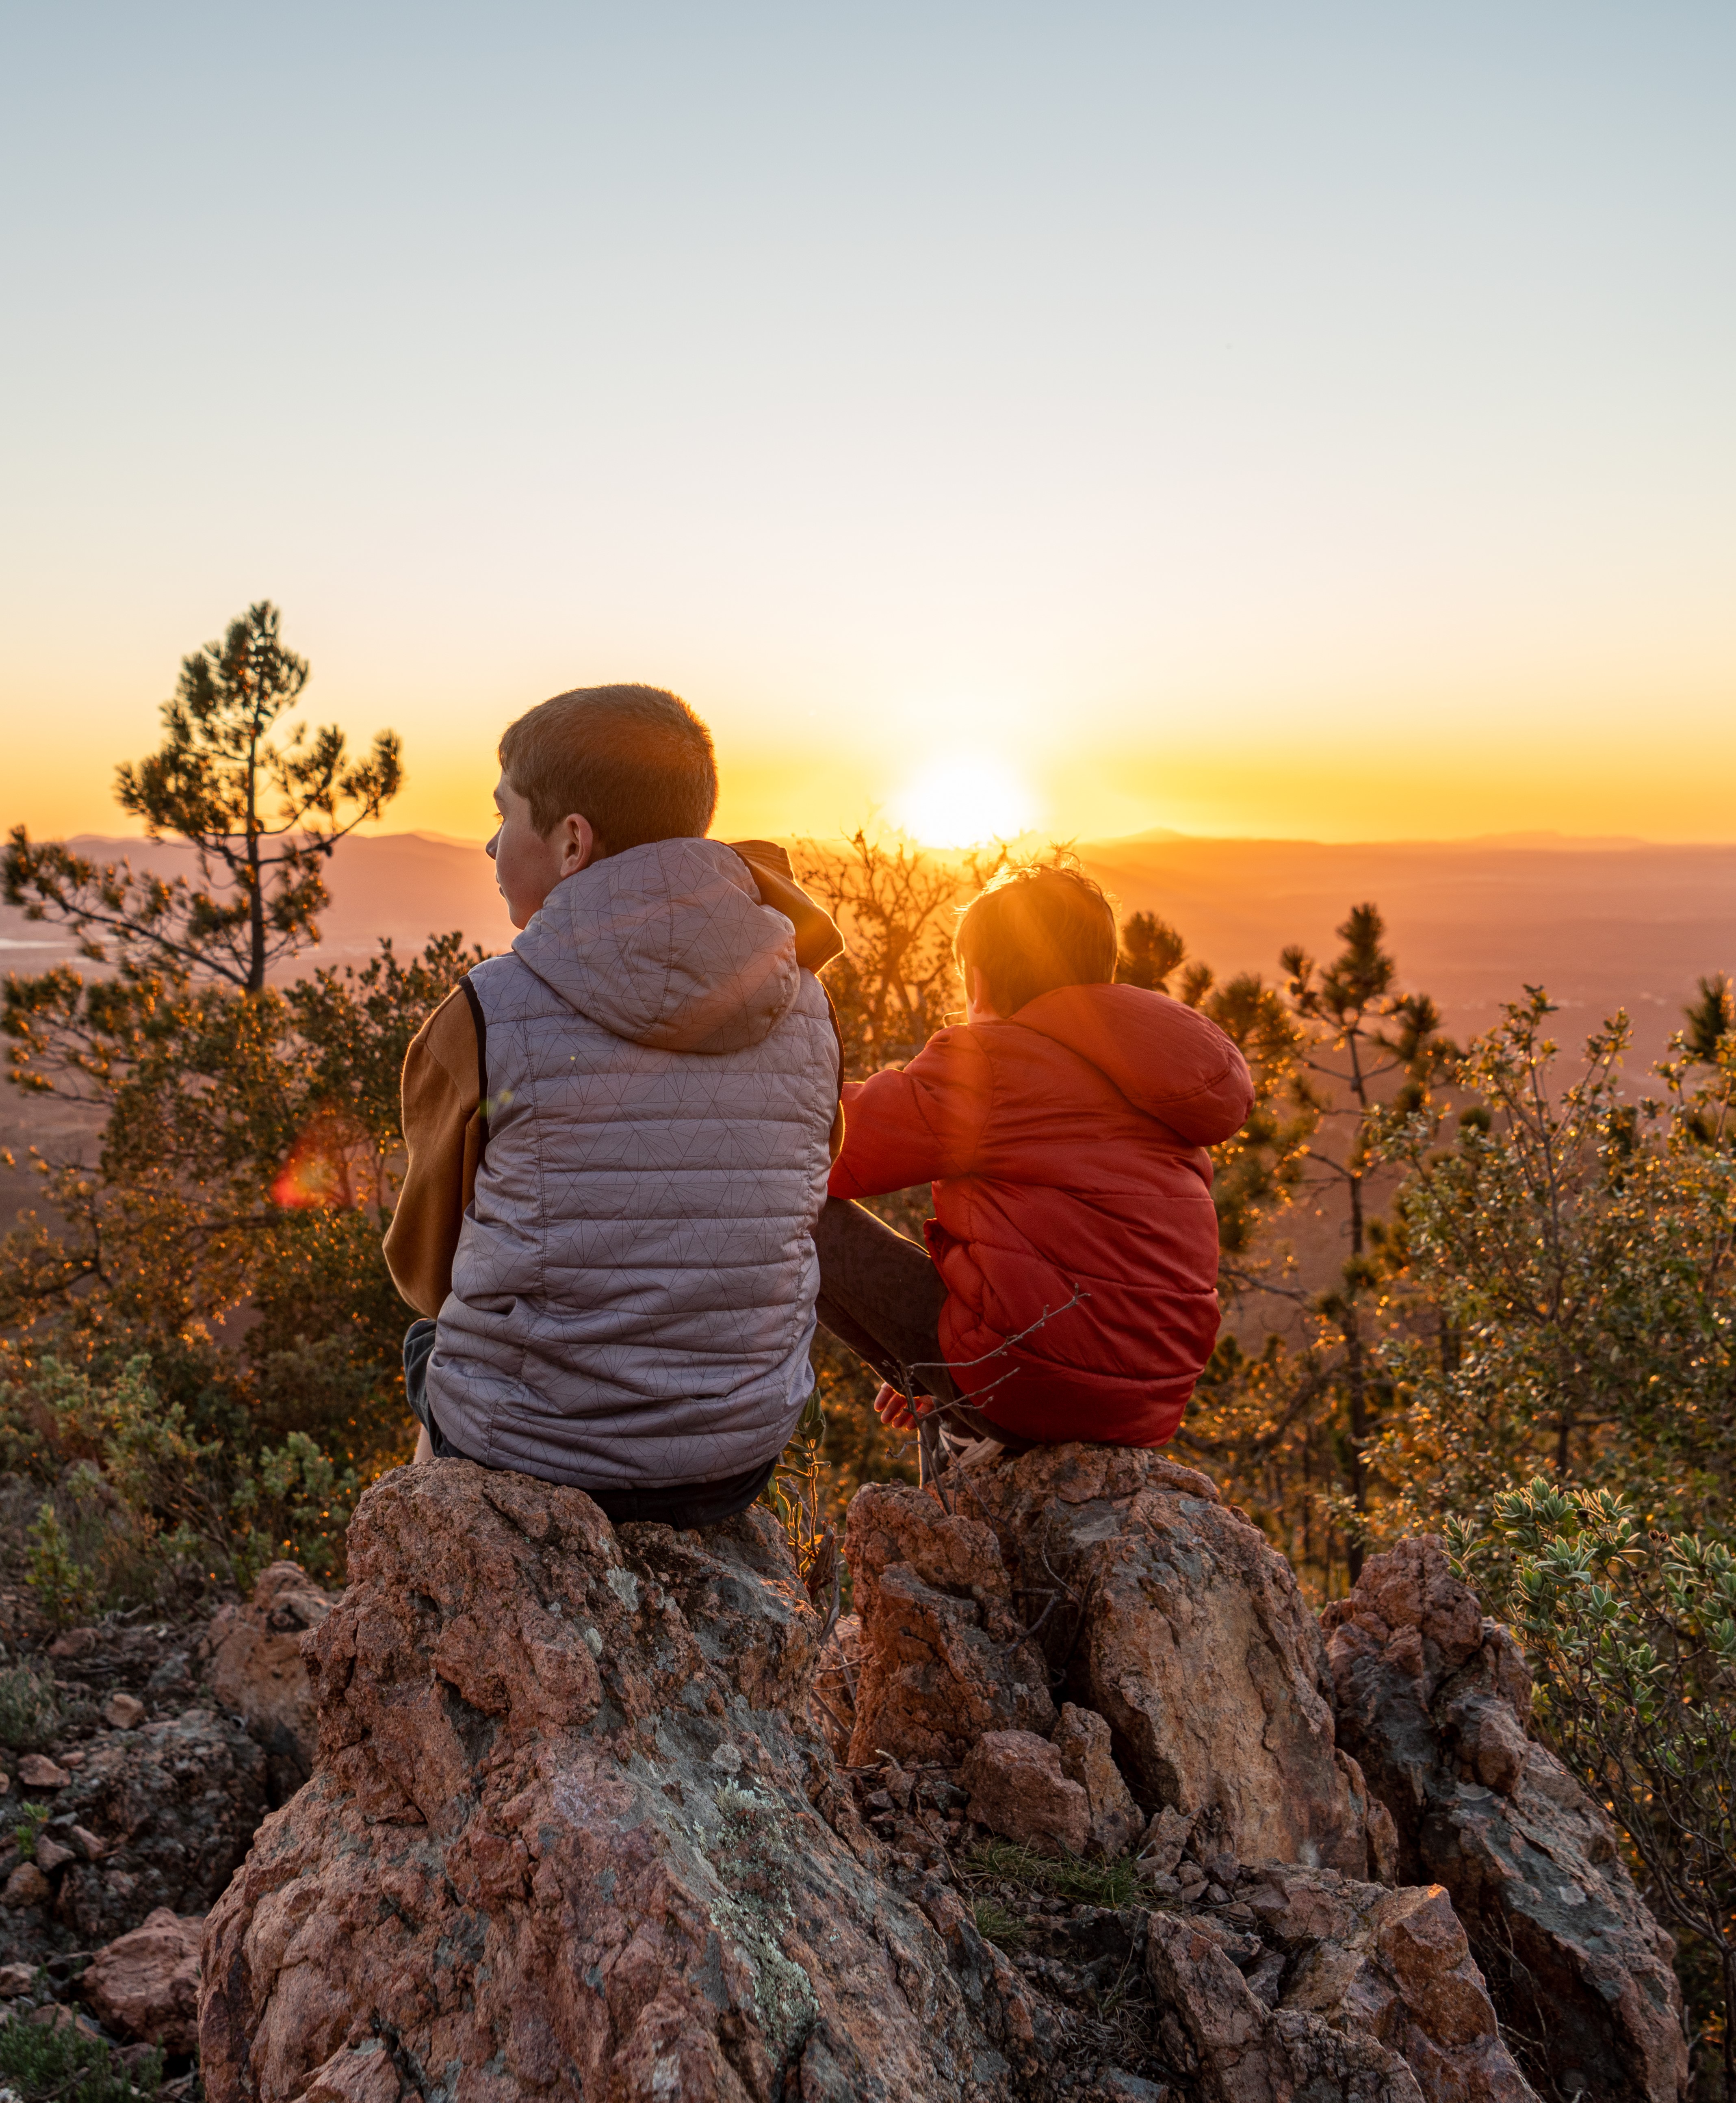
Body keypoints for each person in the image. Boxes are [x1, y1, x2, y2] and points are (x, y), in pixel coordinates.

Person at [384, 683, 845, 1525]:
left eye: (503, 816)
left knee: (433, 1345)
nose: (490, 844)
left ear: (572, 842)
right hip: (734, 1454)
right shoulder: (808, 1005)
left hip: (534, 1450)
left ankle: (427, 1575)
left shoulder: (485, 1013)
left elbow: (427, 1270)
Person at [816, 860, 1253, 1462]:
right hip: (1147, 1401)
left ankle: (965, 1420)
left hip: (1028, 1383)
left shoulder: (994, 1063)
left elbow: (828, 1150)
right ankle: (955, 1400)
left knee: (795, 1205)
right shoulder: (1154, 1075)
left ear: (977, 982)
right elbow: (1067, 1252)